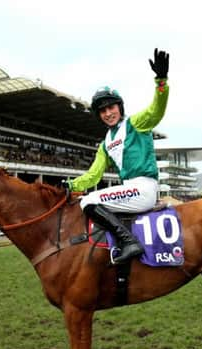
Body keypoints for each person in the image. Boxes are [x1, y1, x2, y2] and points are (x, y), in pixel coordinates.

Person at [67, 48, 170, 264]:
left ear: (119, 107)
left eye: (111, 107)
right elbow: (93, 176)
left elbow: (156, 110)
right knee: (89, 197)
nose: (108, 113)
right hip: (130, 191)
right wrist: (69, 184)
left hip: (143, 188)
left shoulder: (136, 123)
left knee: (89, 200)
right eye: (102, 111)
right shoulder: (105, 143)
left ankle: (129, 242)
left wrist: (161, 82)